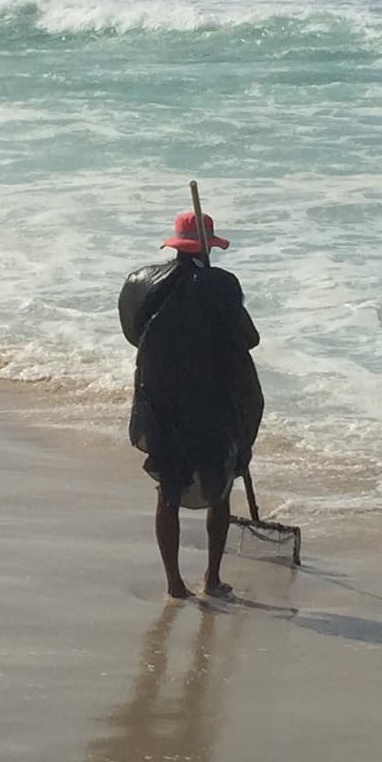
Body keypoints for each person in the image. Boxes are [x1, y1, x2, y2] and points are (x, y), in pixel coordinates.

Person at [117, 209, 264, 600]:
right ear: (208, 247)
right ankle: (212, 579)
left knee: (168, 492)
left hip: (161, 402)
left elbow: (134, 334)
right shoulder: (221, 285)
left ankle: (175, 584)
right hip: (212, 403)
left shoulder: (145, 285)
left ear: (178, 246)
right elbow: (250, 339)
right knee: (221, 489)